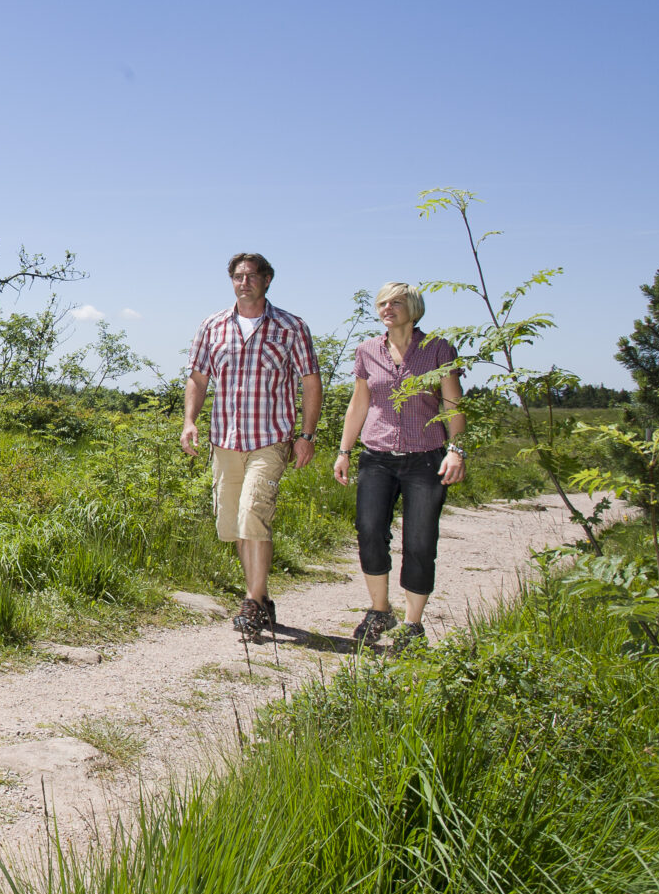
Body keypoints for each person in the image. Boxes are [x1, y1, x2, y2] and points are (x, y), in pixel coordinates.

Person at [180, 252, 322, 640]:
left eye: (252, 276)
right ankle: (261, 597)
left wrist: (307, 435)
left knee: (253, 513)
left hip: (270, 438)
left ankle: (252, 602)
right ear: (232, 281)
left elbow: (310, 381)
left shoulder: (291, 327)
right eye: (238, 276)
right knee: (233, 524)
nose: (244, 282)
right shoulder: (212, 325)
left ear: (267, 280)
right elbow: (198, 378)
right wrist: (190, 421)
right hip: (225, 439)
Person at [333, 281, 466, 650]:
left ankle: (412, 624)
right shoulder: (367, 350)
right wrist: (344, 451)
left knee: (420, 541)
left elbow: (453, 404)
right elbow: (359, 404)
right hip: (376, 457)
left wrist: (456, 450)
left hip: (425, 458)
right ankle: (379, 611)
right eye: (382, 303)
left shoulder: (438, 349)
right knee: (369, 530)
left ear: (414, 308)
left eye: (396, 302)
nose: (387, 308)